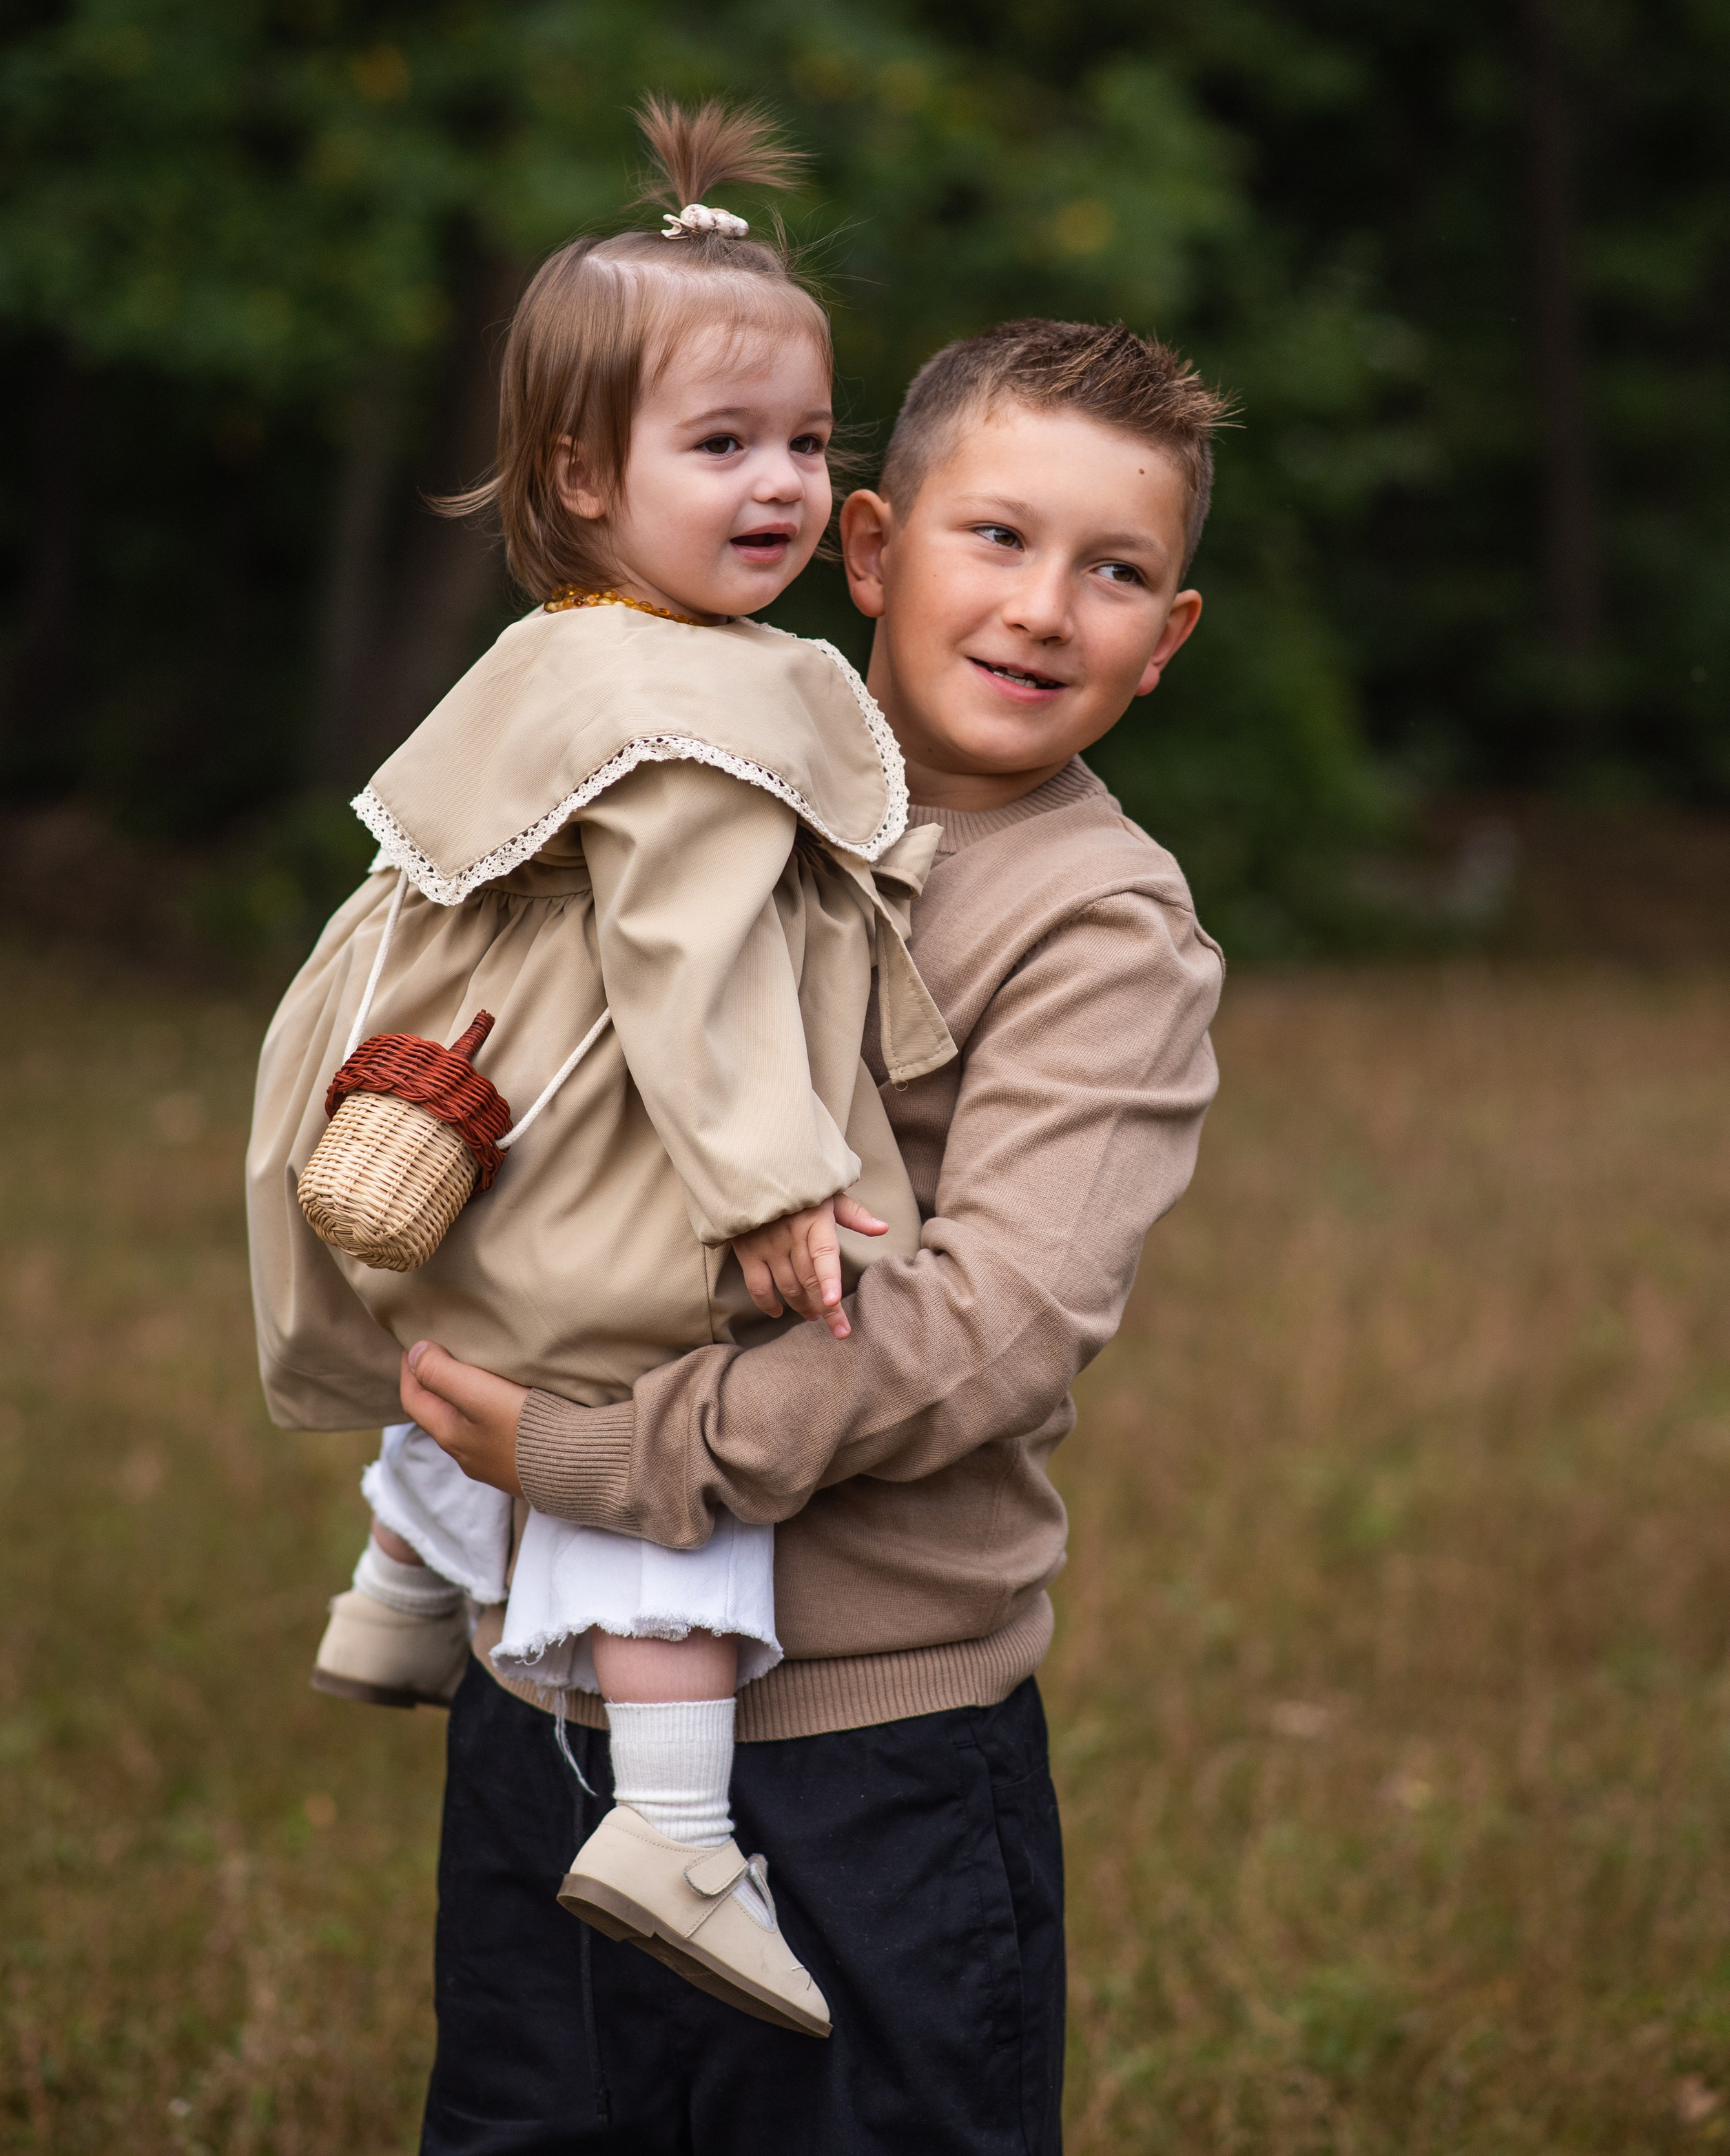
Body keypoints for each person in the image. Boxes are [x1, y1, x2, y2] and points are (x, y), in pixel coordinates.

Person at [400, 314, 1230, 2155]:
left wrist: (603, 1455)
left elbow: (986, 1326)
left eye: (1115, 572)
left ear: (1165, 640)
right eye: (995, 537)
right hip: (552, 1697)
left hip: (869, 1755)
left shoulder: (1099, 925)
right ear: (871, 548)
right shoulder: (693, 773)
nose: (1041, 607)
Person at [246, 97, 958, 2042]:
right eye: (719, 445)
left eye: (810, 443)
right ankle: (671, 1821)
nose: (784, 486)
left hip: (471, 1110)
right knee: (660, 1390)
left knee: (488, 1306)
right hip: (619, 1122)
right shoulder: (701, 698)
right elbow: (688, 961)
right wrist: (771, 1182)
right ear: (580, 467)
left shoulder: (574, 646)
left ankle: (404, 1571)